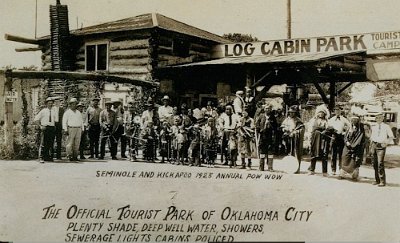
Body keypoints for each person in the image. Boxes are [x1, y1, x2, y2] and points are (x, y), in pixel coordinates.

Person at [370, 113, 394, 187]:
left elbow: (391, 136)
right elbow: (372, 137)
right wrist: (371, 147)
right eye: (377, 118)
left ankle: (382, 181)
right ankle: (377, 180)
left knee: (380, 163)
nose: (378, 119)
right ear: (376, 119)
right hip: (374, 145)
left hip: (381, 146)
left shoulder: (386, 126)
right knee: (374, 163)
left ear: (383, 118)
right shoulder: (374, 127)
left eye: (380, 118)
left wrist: (386, 143)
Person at [308, 105, 333, 176]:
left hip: (323, 140)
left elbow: (329, 130)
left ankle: (324, 172)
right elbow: (310, 130)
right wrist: (309, 139)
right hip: (314, 139)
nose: (321, 114)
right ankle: (311, 170)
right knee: (313, 153)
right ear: (317, 113)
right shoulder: (313, 120)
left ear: (324, 114)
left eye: (322, 113)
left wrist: (326, 131)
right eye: (319, 112)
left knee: (324, 155)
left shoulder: (326, 121)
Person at [339, 113, 365, 181]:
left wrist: (354, 145)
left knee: (355, 161)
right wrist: (347, 142)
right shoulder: (349, 127)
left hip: (357, 147)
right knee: (345, 159)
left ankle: (354, 175)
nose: (354, 121)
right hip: (347, 146)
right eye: (353, 120)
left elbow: (361, 138)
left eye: (355, 120)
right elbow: (345, 137)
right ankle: (342, 174)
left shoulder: (361, 129)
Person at [281, 105, 305, 174]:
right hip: (288, 139)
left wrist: (295, 133)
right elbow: (283, 126)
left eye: (293, 112)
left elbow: (301, 129)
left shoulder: (298, 120)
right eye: (290, 112)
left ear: (295, 113)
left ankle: (296, 169)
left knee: (295, 153)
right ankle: (289, 168)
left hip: (295, 140)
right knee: (288, 153)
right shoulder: (287, 119)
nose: (291, 114)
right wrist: (284, 129)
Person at [328, 106, 350, 174]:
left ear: (341, 111)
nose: (337, 111)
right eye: (335, 110)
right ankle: (333, 170)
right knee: (333, 154)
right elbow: (328, 128)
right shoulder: (331, 119)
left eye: (338, 110)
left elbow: (349, 127)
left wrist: (344, 132)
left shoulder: (344, 119)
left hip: (341, 138)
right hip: (334, 137)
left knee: (341, 155)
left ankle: (341, 169)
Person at [255, 104, 277, 171]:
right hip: (262, 136)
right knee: (262, 151)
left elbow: (275, 127)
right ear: (264, 109)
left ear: (270, 109)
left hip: (270, 136)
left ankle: (270, 167)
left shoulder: (273, 117)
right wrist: (260, 130)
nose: (267, 110)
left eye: (269, 108)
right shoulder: (261, 116)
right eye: (266, 108)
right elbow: (257, 125)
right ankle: (261, 167)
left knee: (270, 152)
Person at [34, 97, 57, 163]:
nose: (50, 104)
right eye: (49, 103)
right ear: (46, 104)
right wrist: (40, 126)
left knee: (50, 143)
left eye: (51, 103)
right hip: (45, 128)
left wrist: (54, 127)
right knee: (43, 143)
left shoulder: (53, 111)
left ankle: (48, 157)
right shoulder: (43, 111)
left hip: (51, 128)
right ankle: (41, 157)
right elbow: (36, 119)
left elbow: (55, 120)